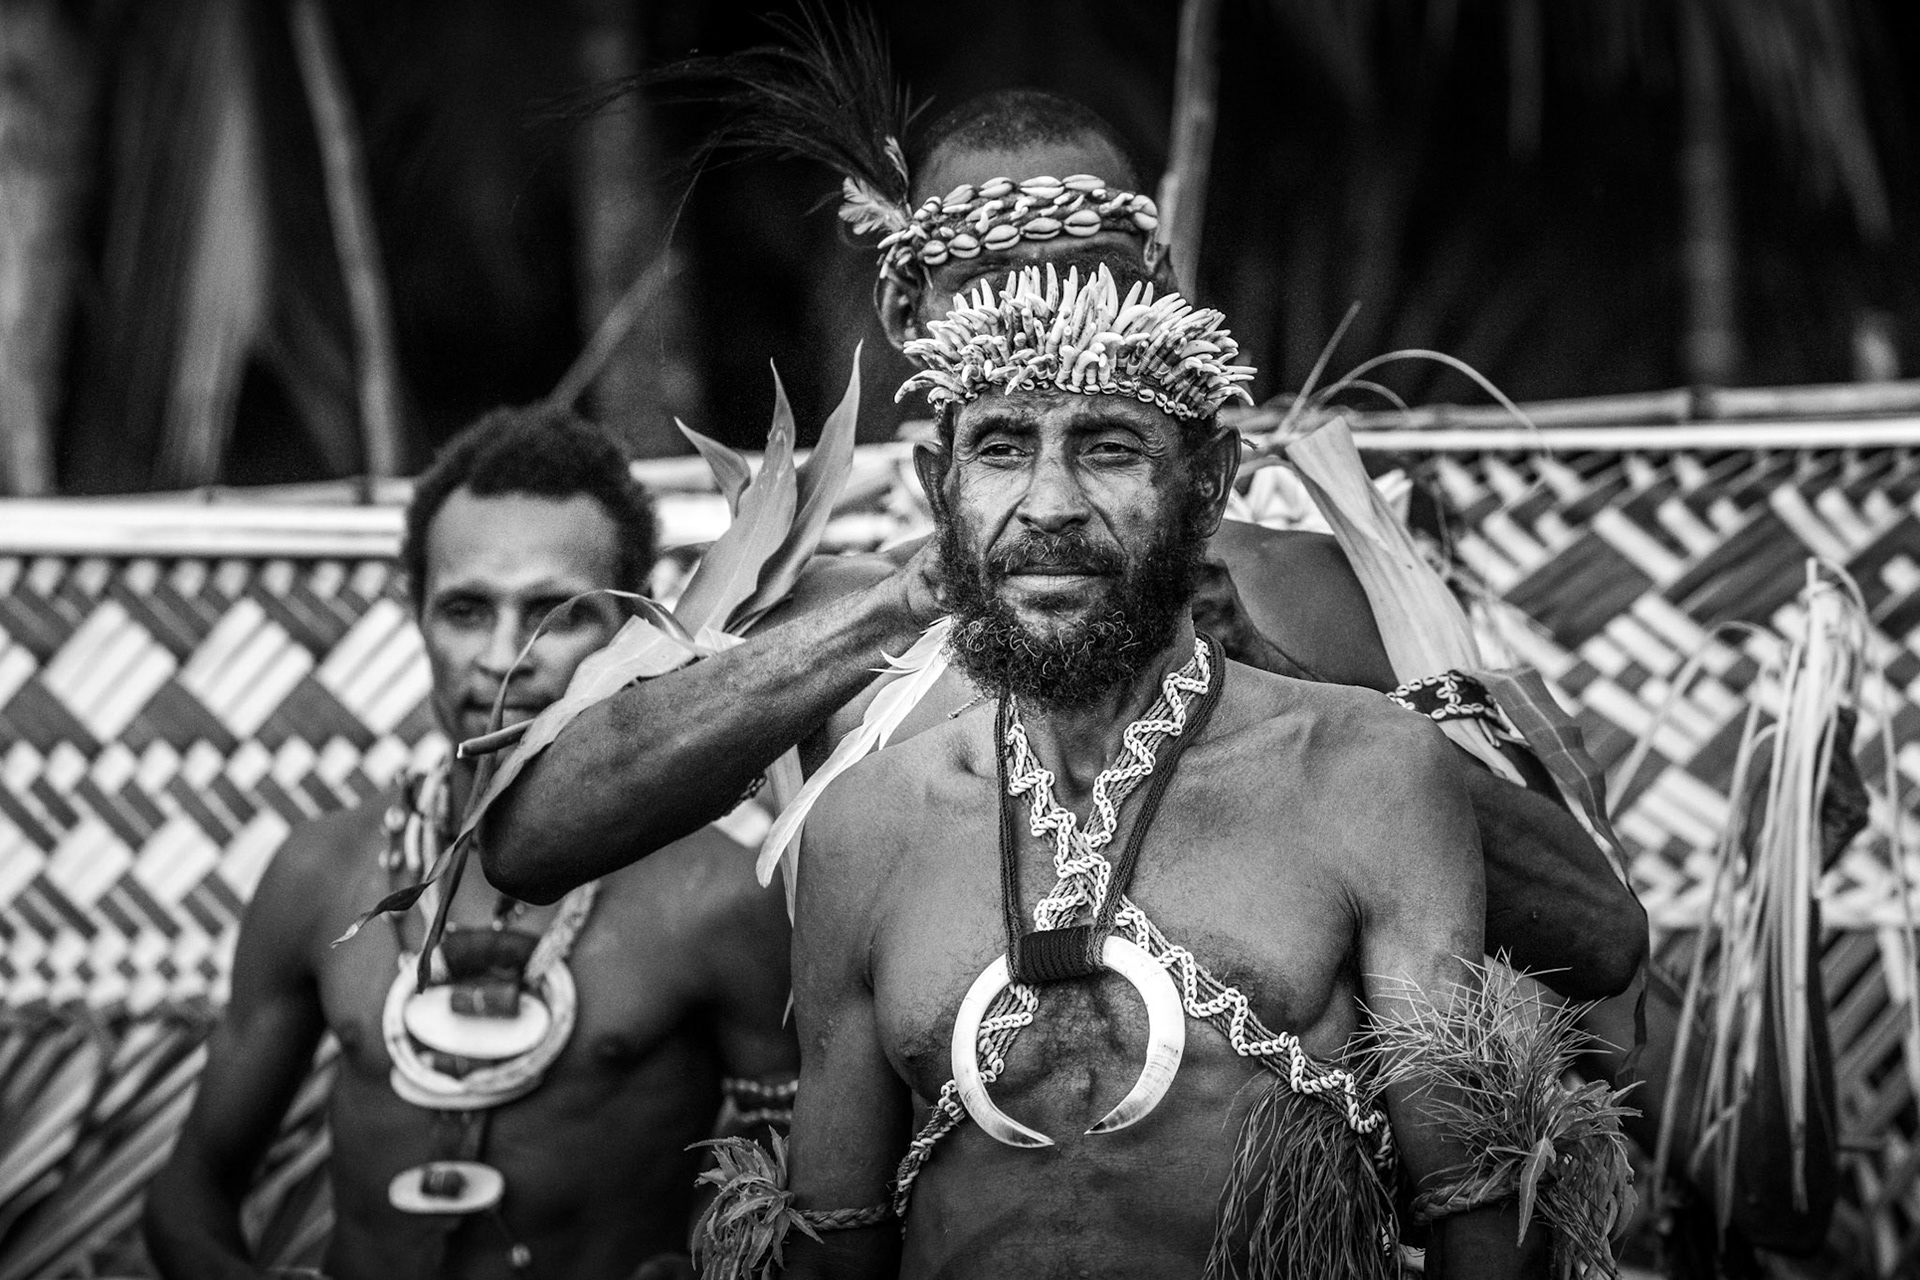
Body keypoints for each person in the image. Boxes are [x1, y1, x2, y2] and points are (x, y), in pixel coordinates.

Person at [482, 44, 1647, 1005]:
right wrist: (894, 610)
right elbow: (531, 842)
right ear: (905, 304)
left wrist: (1277, 681)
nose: (1044, 339)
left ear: (1157, 291)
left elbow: (1596, 935)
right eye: (998, 294)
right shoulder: (811, 612)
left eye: (1085, 289)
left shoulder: (1296, 586)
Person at [740, 263, 1625, 1279]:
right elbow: (833, 1237)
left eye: (1110, 447)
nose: (1051, 503)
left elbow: (1471, 1200)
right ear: (942, 487)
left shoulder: (1363, 770)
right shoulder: (866, 823)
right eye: (1000, 447)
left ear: (1208, 480)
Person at [144, 407, 798, 1280]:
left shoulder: (717, 898)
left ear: (635, 625)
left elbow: (799, 1212)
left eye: (553, 614)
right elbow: (187, 1196)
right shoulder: (319, 875)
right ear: (414, 615)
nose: (503, 657)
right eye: (464, 609)